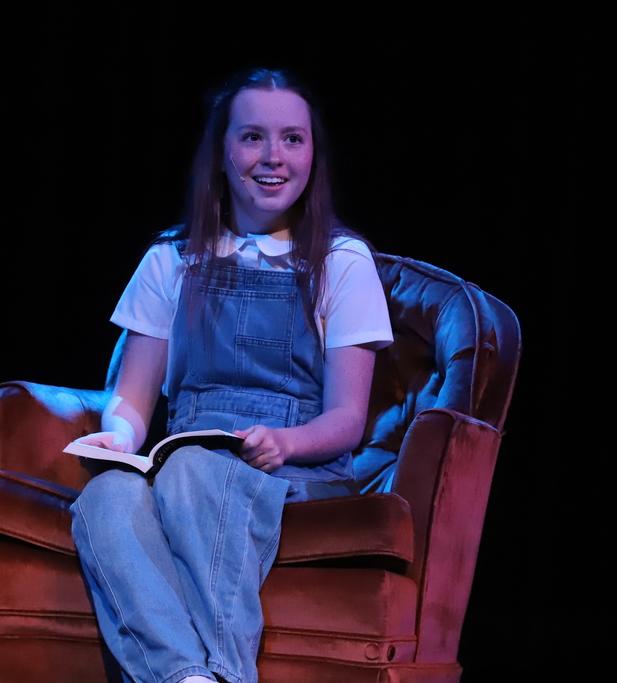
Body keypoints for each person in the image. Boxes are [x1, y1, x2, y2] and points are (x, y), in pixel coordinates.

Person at [69, 68, 393, 683]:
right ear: (222, 152)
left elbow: (347, 420)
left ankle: (224, 669)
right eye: (252, 137)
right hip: (188, 456)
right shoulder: (173, 257)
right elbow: (132, 399)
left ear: (312, 155)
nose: (273, 157)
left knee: (194, 471)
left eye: (292, 139)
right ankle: (190, 677)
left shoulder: (342, 262)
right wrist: (120, 435)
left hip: (296, 469)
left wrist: (286, 442)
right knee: (104, 497)